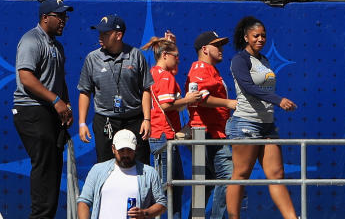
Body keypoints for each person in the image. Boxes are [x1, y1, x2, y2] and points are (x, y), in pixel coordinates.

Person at [225, 16, 299, 219]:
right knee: (241, 175)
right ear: (246, 37)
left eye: (263, 36)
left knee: (276, 175)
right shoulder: (239, 60)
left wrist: (275, 102)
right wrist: (278, 100)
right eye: (255, 35)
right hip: (245, 123)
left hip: (267, 125)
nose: (260, 39)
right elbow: (248, 87)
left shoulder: (264, 60)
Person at [13, 0, 73, 219]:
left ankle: (46, 216)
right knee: (45, 165)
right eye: (59, 16)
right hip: (31, 109)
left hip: (50, 111)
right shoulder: (31, 40)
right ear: (44, 18)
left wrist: (65, 105)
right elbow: (26, 77)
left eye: (65, 16)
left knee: (53, 167)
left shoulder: (56, 45)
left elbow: (59, 80)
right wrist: (56, 100)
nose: (63, 21)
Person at [78, 14, 153, 165]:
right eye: (99, 33)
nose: (100, 37)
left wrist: (147, 119)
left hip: (134, 119)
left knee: (139, 164)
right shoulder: (92, 58)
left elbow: (146, 89)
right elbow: (85, 91)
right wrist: (82, 123)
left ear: (118, 35)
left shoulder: (136, 55)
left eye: (105, 33)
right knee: (106, 165)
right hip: (106, 120)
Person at [143, 36, 201, 216]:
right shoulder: (165, 76)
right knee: (169, 187)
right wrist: (189, 99)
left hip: (159, 134)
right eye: (176, 56)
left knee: (169, 185)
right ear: (165, 55)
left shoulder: (154, 72)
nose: (178, 59)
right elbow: (167, 105)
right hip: (164, 135)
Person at [186, 32, 237, 219]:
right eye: (217, 45)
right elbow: (200, 98)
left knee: (205, 183)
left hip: (213, 132)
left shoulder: (210, 69)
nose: (222, 49)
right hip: (208, 133)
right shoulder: (201, 68)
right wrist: (229, 103)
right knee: (228, 178)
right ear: (205, 49)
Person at [77, 129, 166, 219]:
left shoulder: (149, 173)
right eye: (121, 150)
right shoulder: (97, 170)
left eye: (129, 150)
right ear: (113, 149)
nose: (125, 154)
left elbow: (161, 204)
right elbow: (84, 201)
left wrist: (144, 213)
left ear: (135, 149)